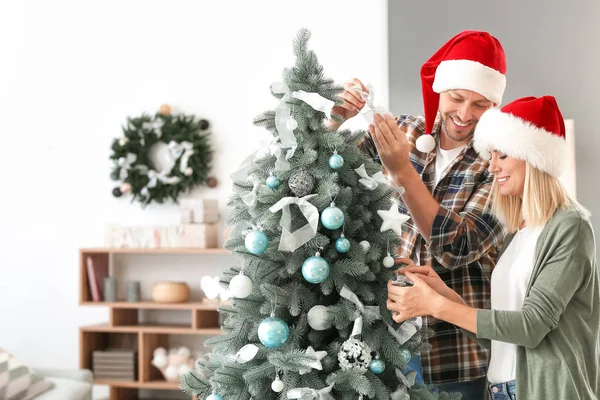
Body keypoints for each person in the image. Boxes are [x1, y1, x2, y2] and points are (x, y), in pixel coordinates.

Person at [329, 31, 507, 398]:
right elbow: (324, 171)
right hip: (383, 342)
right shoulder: (404, 132)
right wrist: (334, 117)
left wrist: (401, 173)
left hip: (454, 355)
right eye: (457, 98)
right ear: (439, 90)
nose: (464, 114)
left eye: (480, 105)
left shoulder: (501, 163)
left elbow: (455, 247)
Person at [386, 95, 600, 399]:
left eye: (502, 156)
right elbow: (500, 333)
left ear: (533, 158)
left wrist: (434, 305)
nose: (492, 166)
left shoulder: (569, 226)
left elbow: (531, 325)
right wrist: (442, 294)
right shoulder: (519, 231)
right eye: (492, 155)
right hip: (501, 391)